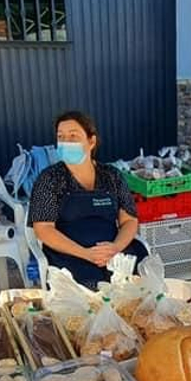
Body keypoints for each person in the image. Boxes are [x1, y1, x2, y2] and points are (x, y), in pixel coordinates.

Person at [30, 111, 149, 288]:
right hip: (71, 255)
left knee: (140, 285)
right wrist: (86, 254)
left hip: (113, 252)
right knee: (90, 291)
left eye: (73, 136)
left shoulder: (112, 176)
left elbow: (129, 220)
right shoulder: (49, 179)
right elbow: (44, 229)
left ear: (91, 142)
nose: (65, 143)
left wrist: (115, 248)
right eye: (61, 137)